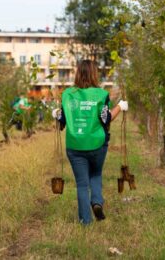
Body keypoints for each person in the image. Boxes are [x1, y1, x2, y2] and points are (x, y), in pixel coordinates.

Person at [52, 60, 128, 225]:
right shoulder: (101, 95)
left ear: (78, 73)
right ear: (94, 74)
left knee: (81, 184)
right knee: (96, 173)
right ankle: (97, 202)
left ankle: (85, 222)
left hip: (75, 145)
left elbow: (62, 122)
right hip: (97, 144)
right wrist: (120, 107)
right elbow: (106, 120)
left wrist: (56, 114)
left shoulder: (67, 95)